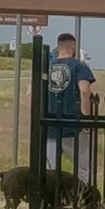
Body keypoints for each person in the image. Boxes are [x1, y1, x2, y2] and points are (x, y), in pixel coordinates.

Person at [39, 31, 96, 181]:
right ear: (73, 47)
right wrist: (86, 118)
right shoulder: (79, 67)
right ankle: (82, 193)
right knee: (83, 167)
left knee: (49, 169)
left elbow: (30, 92)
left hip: (50, 125)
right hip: (73, 126)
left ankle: (51, 194)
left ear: (58, 48)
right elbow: (85, 90)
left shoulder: (47, 68)